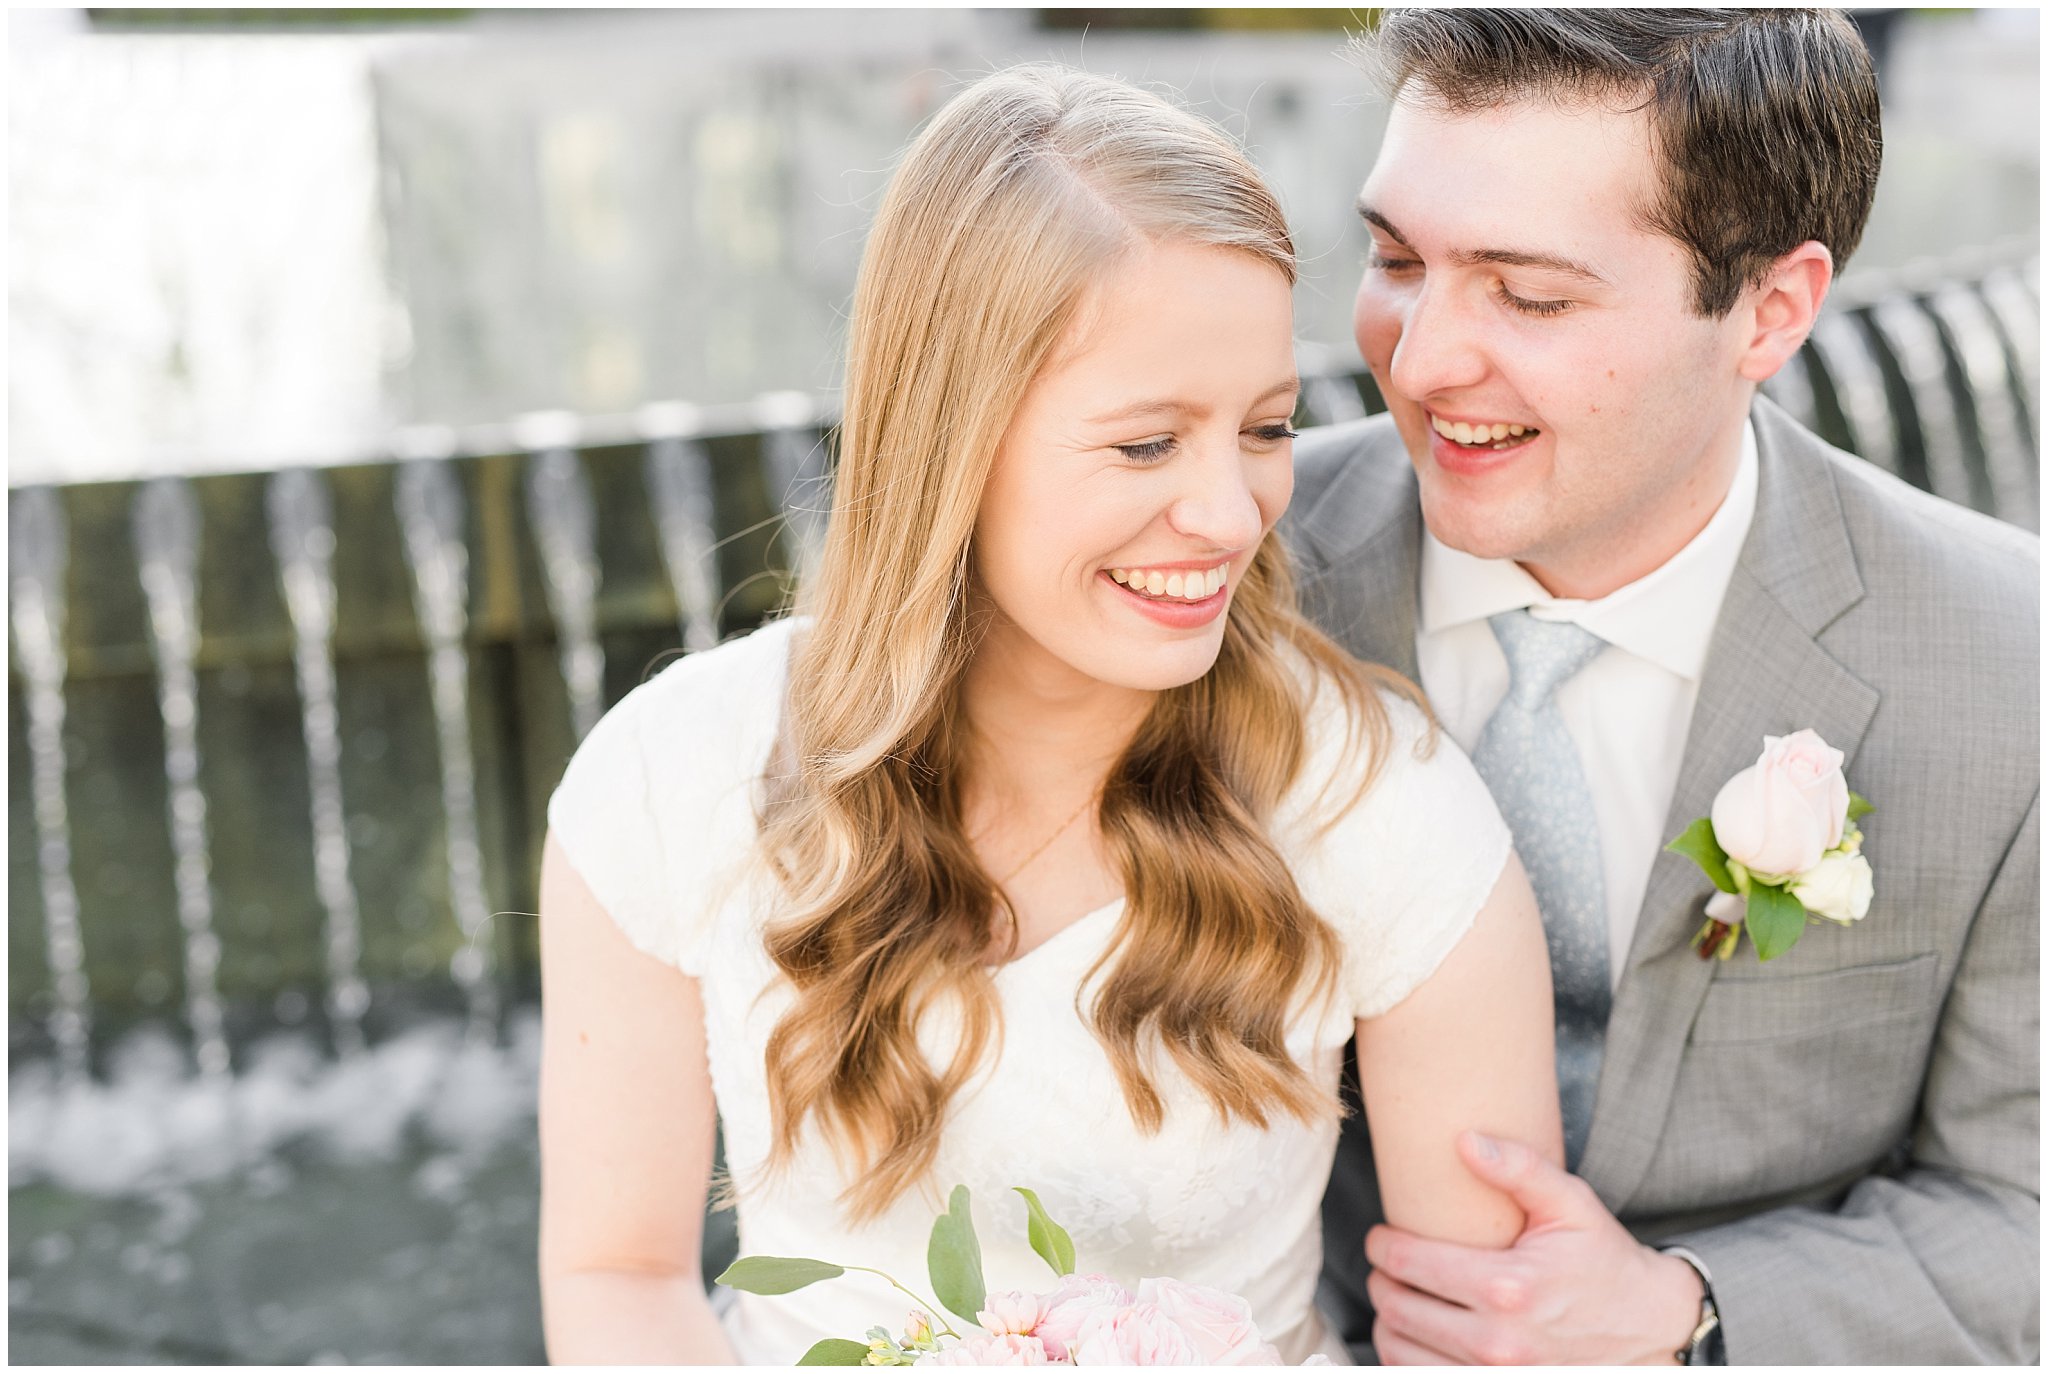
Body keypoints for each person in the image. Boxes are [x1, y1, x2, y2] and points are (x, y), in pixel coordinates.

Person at [536, 63, 1562, 1365]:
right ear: (953, 439)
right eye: (1146, 444)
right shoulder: (668, 778)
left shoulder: (1381, 805)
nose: (1232, 511)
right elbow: (619, 1275)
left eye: (1262, 427)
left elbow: (1493, 1341)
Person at [1290, 9, 2039, 1365]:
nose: (1418, 359)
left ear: (1771, 311)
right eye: (1398, 257)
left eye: (1530, 294)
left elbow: (2023, 1204)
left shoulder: (2012, 670)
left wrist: (1685, 1306)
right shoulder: (1230, 589)